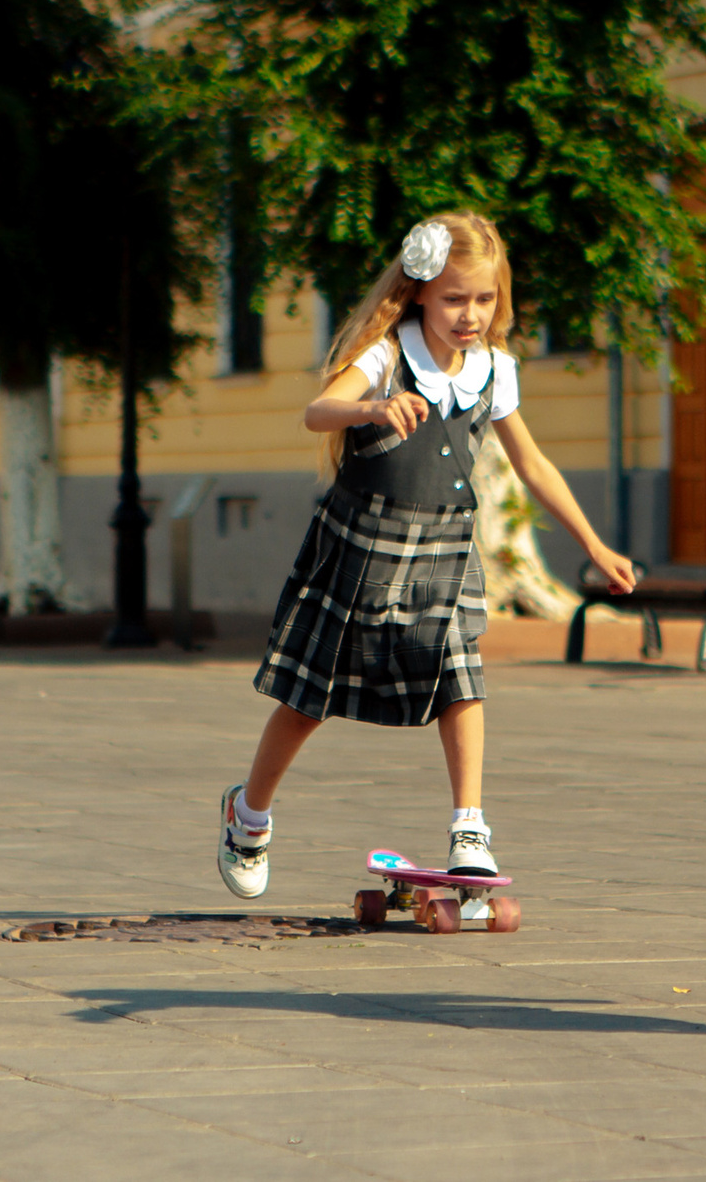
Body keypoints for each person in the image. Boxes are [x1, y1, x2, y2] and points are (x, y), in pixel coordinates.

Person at [218, 212, 637, 899]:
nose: (470, 314)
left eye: (485, 299)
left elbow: (532, 463)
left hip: (445, 548)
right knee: (308, 695)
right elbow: (317, 411)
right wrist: (371, 410)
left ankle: (469, 827)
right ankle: (249, 816)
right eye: (454, 298)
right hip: (361, 548)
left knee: (461, 680)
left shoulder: (495, 369)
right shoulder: (387, 354)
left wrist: (595, 544)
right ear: (419, 293)